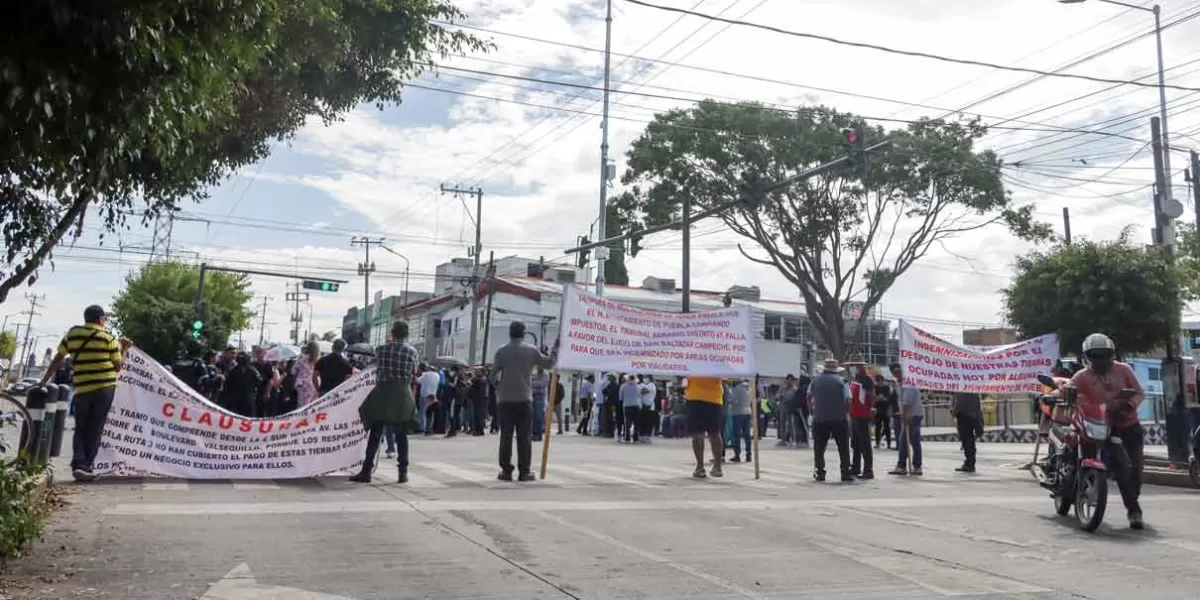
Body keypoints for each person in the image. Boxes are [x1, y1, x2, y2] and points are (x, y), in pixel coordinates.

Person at [39, 305, 125, 482]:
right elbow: (118, 366)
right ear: (100, 319)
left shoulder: (73, 334)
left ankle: (78, 463)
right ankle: (87, 465)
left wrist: (44, 380)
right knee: (95, 428)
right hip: (105, 388)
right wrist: (124, 348)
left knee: (81, 426)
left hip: (82, 388)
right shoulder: (109, 338)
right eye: (105, 319)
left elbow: (58, 358)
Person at [1069, 333, 1145, 529]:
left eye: (1105, 355)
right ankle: (1134, 510)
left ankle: (1131, 497)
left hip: (1130, 425)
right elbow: (1067, 390)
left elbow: (1138, 392)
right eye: (1096, 356)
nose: (1101, 360)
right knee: (1122, 467)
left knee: (1136, 468)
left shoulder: (1124, 370)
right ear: (1088, 356)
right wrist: (1054, 395)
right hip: (1107, 428)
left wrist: (1129, 406)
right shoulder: (1082, 377)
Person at [352, 321, 418, 484]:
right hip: (403, 394)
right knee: (401, 436)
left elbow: (371, 368)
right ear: (407, 334)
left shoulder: (381, 350)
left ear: (392, 333)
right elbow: (414, 372)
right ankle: (402, 473)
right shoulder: (412, 352)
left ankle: (366, 471)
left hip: (382, 393)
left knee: (375, 433)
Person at [491, 321, 556, 481]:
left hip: (506, 400)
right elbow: (549, 363)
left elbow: (493, 375)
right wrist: (555, 350)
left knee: (505, 436)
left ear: (510, 333)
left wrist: (500, 387)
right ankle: (524, 471)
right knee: (524, 437)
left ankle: (506, 471)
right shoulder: (531, 350)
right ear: (523, 333)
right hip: (525, 399)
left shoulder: (501, 351)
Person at [809, 359, 852, 482]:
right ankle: (845, 472)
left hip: (820, 418)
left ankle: (819, 472)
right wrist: (846, 412)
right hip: (839, 418)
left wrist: (813, 411)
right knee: (843, 447)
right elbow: (848, 399)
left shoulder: (815, 380)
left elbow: (808, 396)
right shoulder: (842, 381)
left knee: (819, 447)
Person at [685, 375, 725, 478]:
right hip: (713, 398)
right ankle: (717, 467)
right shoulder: (718, 360)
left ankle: (700, 467)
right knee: (715, 433)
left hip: (695, 396)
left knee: (698, 434)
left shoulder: (691, 359)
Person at [890, 367, 924, 476]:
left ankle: (902, 466)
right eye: (895, 373)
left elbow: (908, 403)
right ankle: (917, 466)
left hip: (912, 415)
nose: (897, 375)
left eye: (898, 372)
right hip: (910, 415)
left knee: (903, 440)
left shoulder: (909, 383)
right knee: (914, 441)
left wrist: (904, 416)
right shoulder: (898, 384)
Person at [849, 364, 875, 479]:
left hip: (862, 415)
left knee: (864, 443)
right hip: (854, 414)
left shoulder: (867, 379)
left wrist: (869, 408)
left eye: (853, 366)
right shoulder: (855, 379)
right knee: (855, 443)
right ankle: (855, 467)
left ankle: (868, 470)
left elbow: (871, 396)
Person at [219, 352, 261, 417]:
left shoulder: (251, 370)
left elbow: (258, 381)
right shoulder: (235, 370)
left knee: (244, 416)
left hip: (244, 396)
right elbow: (259, 381)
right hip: (240, 397)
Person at [952, 391, 983, 473]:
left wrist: (953, 412)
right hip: (973, 416)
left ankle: (969, 464)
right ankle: (970, 463)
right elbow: (978, 406)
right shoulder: (974, 392)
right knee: (970, 440)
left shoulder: (962, 391)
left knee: (966, 440)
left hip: (964, 416)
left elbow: (959, 404)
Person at [727, 378, 753, 463]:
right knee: (747, 435)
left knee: (736, 435)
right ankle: (749, 455)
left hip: (738, 413)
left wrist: (729, 400)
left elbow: (734, 401)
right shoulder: (749, 388)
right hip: (748, 412)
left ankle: (737, 455)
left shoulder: (737, 389)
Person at [251, 347, 280, 418]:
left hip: (264, 389)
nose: (259, 354)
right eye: (257, 352)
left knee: (263, 411)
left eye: (261, 352)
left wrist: (267, 392)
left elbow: (270, 379)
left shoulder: (268, 365)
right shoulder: (252, 364)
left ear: (264, 353)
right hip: (254, 391)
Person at [292, 341, 320, 407]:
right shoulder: (317, 360)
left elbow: (293, 371)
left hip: (302, 385)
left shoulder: (301, 358)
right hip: (314, 384)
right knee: (313, 407)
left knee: (302, 408)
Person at [417, 365, 440, 435]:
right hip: (433, 396)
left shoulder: (426, 374)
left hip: (425, 395)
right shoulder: (437, 376)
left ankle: (422, 428)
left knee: (423, 412)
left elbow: (418, 381)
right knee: (430, 413)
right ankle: (429, 428)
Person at [873, 376, 893, 449]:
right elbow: (873, 398)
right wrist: (878, 399)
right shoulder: (875, 388)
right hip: (878, 409)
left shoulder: (887, 388)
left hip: (885, 409)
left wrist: (883, 398)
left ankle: (889, 443)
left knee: (887, 427)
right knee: (877, 427)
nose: (879, 383)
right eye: (878, 381)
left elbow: (889, 398)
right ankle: (877, 442)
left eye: (881, 381)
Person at [531, 366, 550, 442]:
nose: (539, 367)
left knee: (539, 417)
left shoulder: (545, 376)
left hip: (540, 397)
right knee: (533, 416)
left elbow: (541, 384)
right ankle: (533, 433)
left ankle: (538, 435)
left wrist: (533, 382)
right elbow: (529, 383)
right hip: (532, 396)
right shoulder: (534, 375)